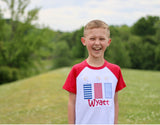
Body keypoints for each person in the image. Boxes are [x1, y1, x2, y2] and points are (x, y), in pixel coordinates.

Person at [63, 20, 126, 124]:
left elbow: (115, 102)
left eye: (101, 39)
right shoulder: (76, 70)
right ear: (84, 41)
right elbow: (71, 102)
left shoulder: (115, 70)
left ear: (108, 42)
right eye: (92, 38)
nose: (97, 43)